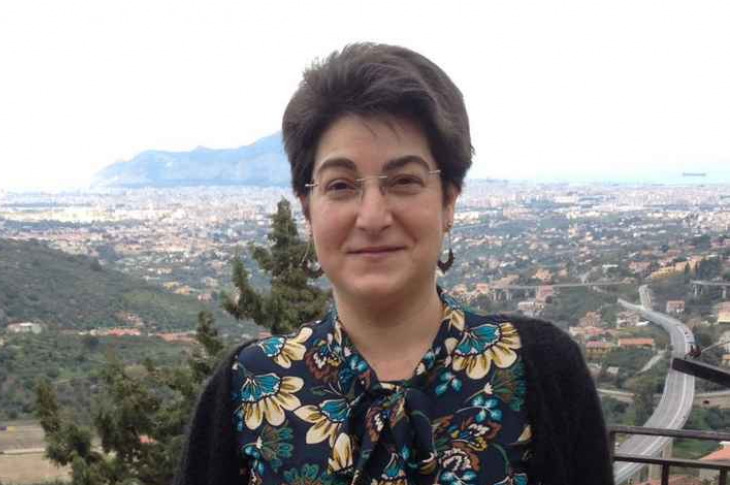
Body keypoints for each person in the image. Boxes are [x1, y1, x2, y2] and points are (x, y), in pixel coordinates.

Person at [175, 43, 612, 485]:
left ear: (448, 201)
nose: (372, 217)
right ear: (307, 209)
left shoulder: (538, 370)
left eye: (404, 181)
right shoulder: (248, 387)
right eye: (340, 185)